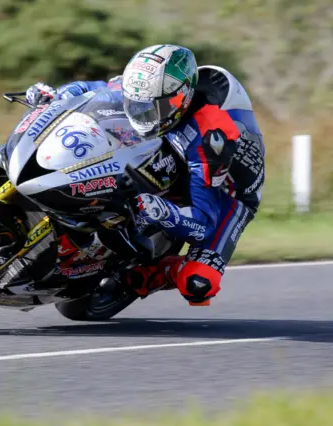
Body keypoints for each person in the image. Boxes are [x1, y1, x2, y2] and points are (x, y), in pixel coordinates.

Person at [25, 44, 265, 306]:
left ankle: (141, 277)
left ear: (181, 98)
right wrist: (56, 94)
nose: (142, 113)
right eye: (136, 101)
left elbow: (203, 224)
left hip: (225, 192)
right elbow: (93, 89)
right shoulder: (146, 86)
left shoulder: (210, 138)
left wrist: (163, 212)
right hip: (176, 151)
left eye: (156, 106)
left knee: (198, 282)